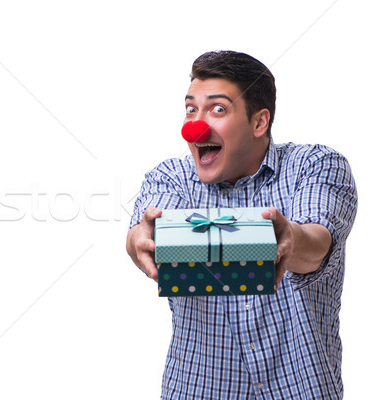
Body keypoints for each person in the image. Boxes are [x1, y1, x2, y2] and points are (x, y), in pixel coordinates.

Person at [126, 50, 357, 399]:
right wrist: (138, 240)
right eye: (191, 109)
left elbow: (317, 244)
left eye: (217, 109)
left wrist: (290, 238)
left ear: (259, 122)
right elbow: (149, 228)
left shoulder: (316, 166)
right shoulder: (171, 177)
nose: (196, 125)